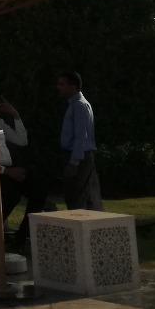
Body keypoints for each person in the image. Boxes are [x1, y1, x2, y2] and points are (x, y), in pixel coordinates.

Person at [0, 97, 49, 249]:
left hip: (7, 170)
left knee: (39, 187)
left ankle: (22, 236)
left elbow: (22, 140)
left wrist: (15, 115)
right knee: (12, 195)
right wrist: (6, 171)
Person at [57, 70, 101, 210]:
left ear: (73, 86)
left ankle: (79, 222)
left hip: (79, 158)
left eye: (62, 84)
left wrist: (74, 163)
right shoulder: (75, 104)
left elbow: (81, 136)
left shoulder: (79, 105)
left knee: (75, 197)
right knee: (84, 196)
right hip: (80, 156)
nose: (59, 87)